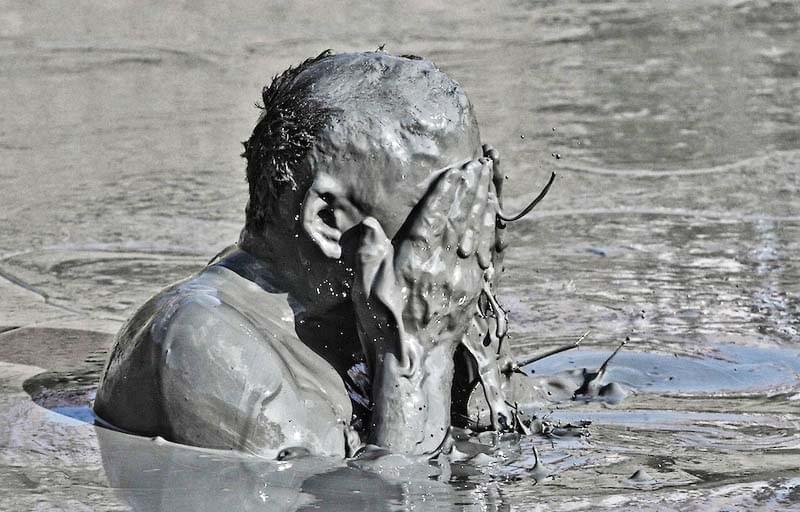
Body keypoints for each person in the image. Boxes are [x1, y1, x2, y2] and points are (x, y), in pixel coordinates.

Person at [94, 50, 515, 458]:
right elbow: (391, 498)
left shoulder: (352, 309)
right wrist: (421, 360)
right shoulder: (201, 345)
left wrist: (472, 328)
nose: (465, 228)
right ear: (328, 220)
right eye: (444, 208)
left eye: (472, 194)